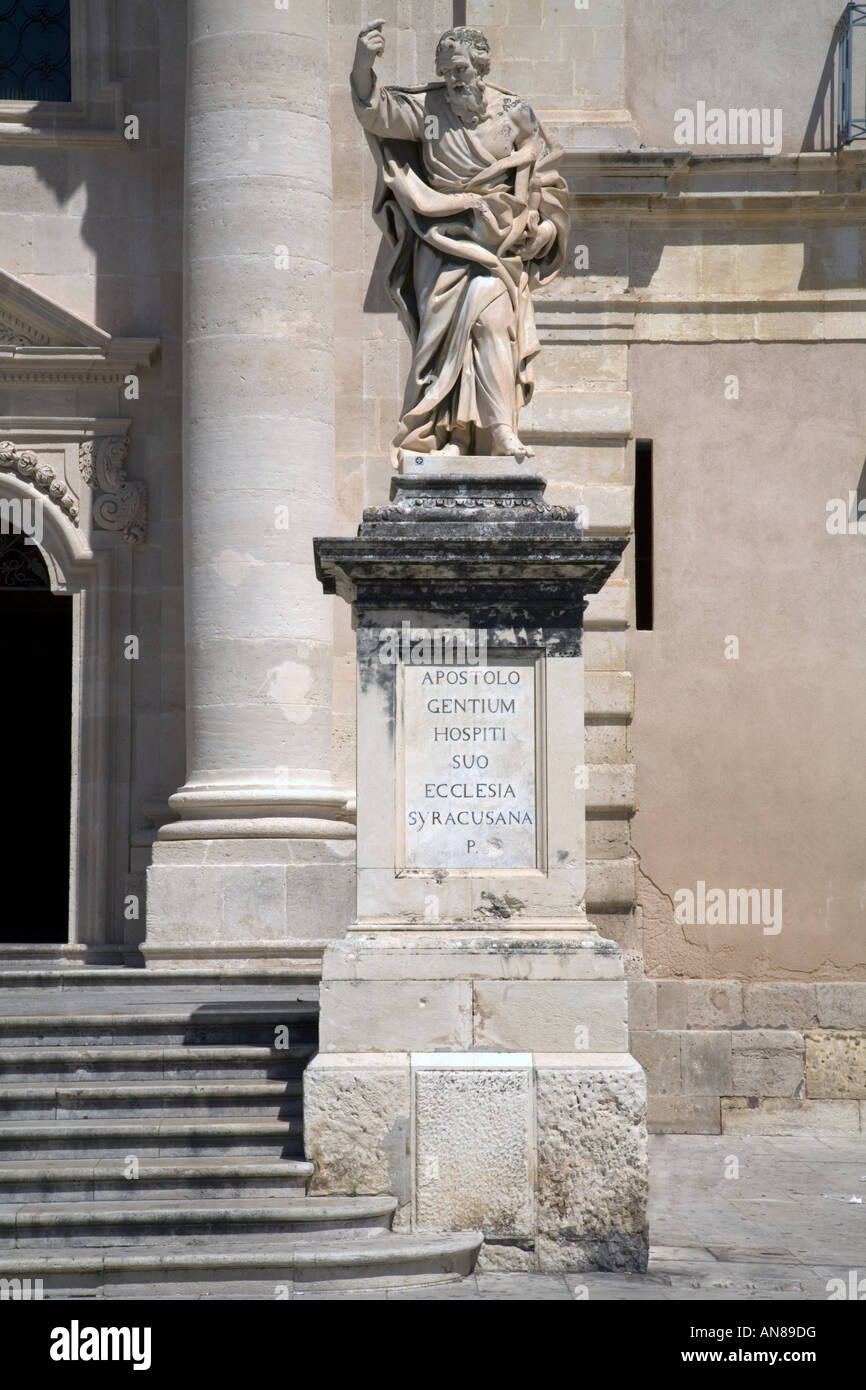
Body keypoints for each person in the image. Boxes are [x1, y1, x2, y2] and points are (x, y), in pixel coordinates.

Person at [351, 21, 568, 462]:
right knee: (443, 340)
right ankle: (454, 436)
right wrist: (362, 66)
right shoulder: (429, 110)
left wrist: (544, 230)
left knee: (489, 324)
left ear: (481, 68)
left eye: (461, 69)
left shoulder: (514, 113)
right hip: (441, 241)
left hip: (497, 247)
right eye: (446, 70)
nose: (453, 79)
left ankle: (501, 431)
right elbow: (374, 112)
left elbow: (545, 180)